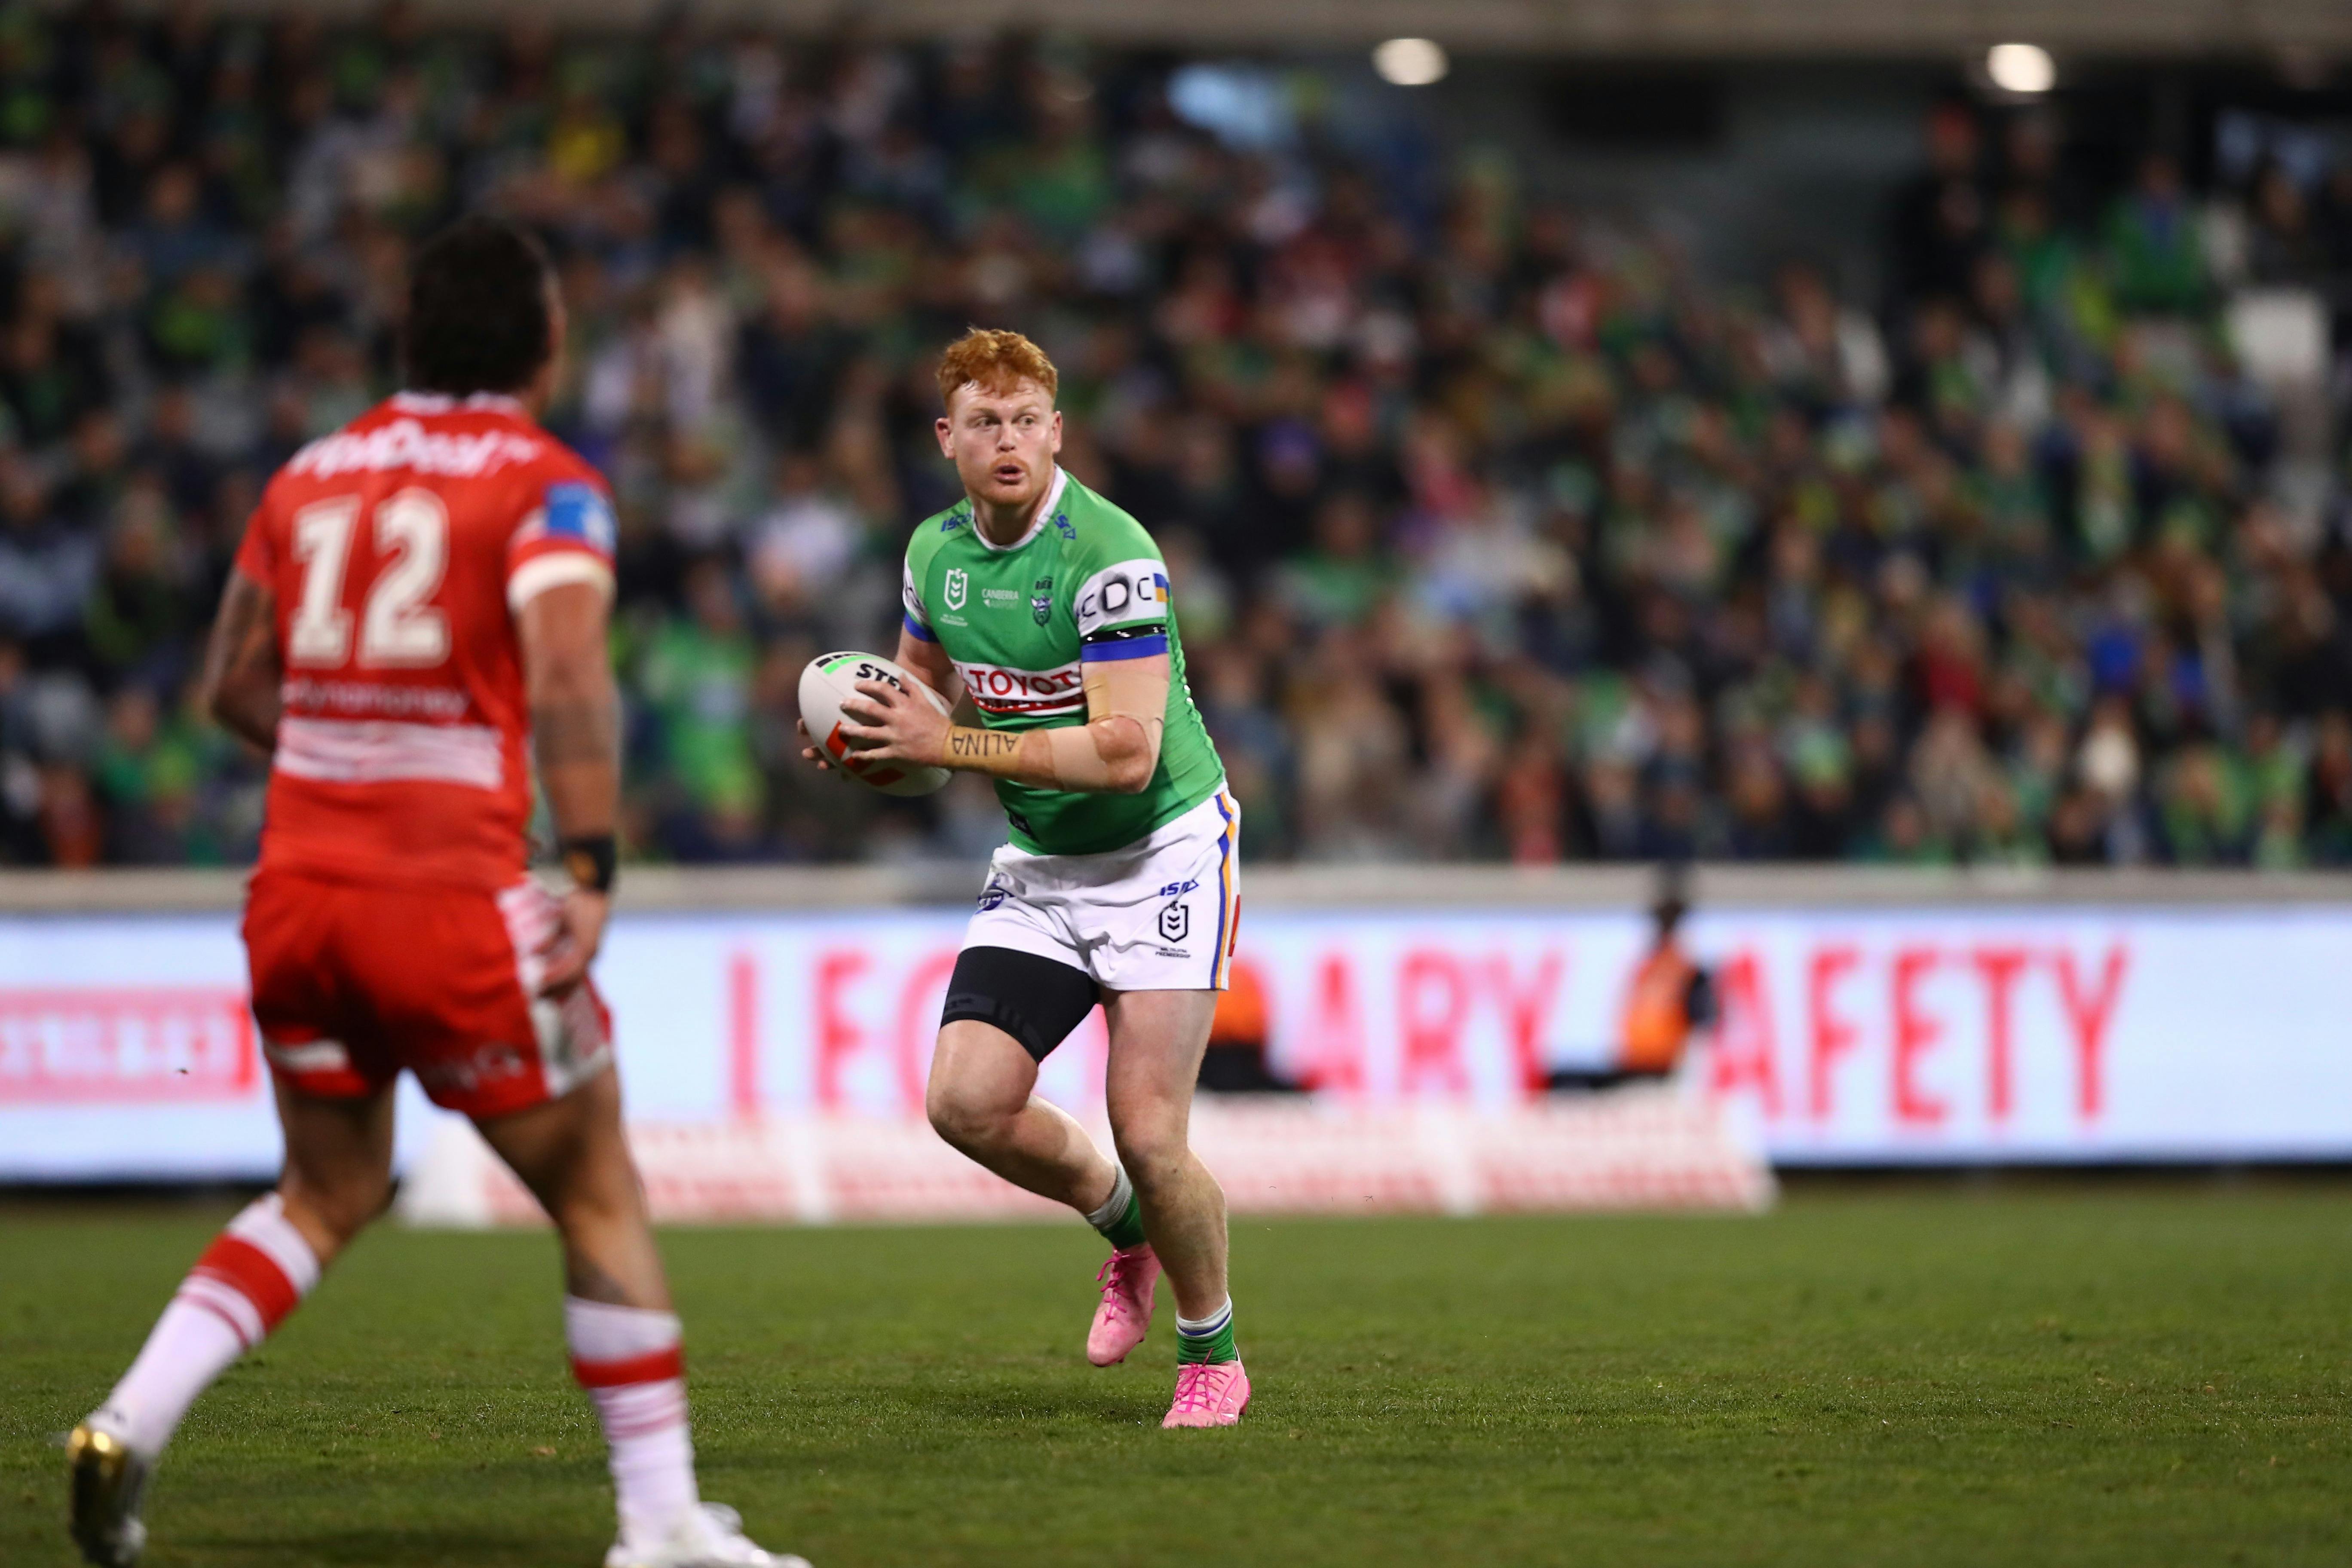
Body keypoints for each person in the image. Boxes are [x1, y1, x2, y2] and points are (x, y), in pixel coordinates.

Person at [65, 216, 802, 1568]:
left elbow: (231, 681)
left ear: (407, 340)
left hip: (294, 898)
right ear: (546, 342)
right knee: (594, 1187)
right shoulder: (545, 483)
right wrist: (587, 861)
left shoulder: (308, 476)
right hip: (449, 904)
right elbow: (571, 674)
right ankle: (662, 1528)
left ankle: (127, 1420)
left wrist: (351, 762)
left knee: (323, 1191)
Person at [802, 328, 1250, 1428]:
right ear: (947, 439)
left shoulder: (1110, 555)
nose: (1008, 441)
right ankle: (1125, 1235)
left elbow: (1126, 755)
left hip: (1163, 856)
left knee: (1149, 1133)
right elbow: (915, 723)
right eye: (984, 423)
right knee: (964, 1102)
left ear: (1059, 433)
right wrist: (871, 752)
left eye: (1027, 421)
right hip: (1046, 868)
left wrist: (943, 748)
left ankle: (1214, 1354)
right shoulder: (930, 558)